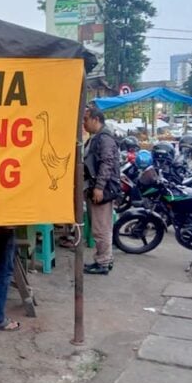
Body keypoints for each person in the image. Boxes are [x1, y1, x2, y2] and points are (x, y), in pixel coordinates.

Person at [83, 107, 120, 275]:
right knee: (100, 226)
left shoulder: (104, 138)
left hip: (102, 189)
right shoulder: (97, 138)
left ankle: (103, 262)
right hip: (97, 187)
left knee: (101, 227)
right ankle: (104, 259)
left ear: (95, 119)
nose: (84, 123)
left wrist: (99, 187)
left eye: (86, 119)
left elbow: (107, 163)